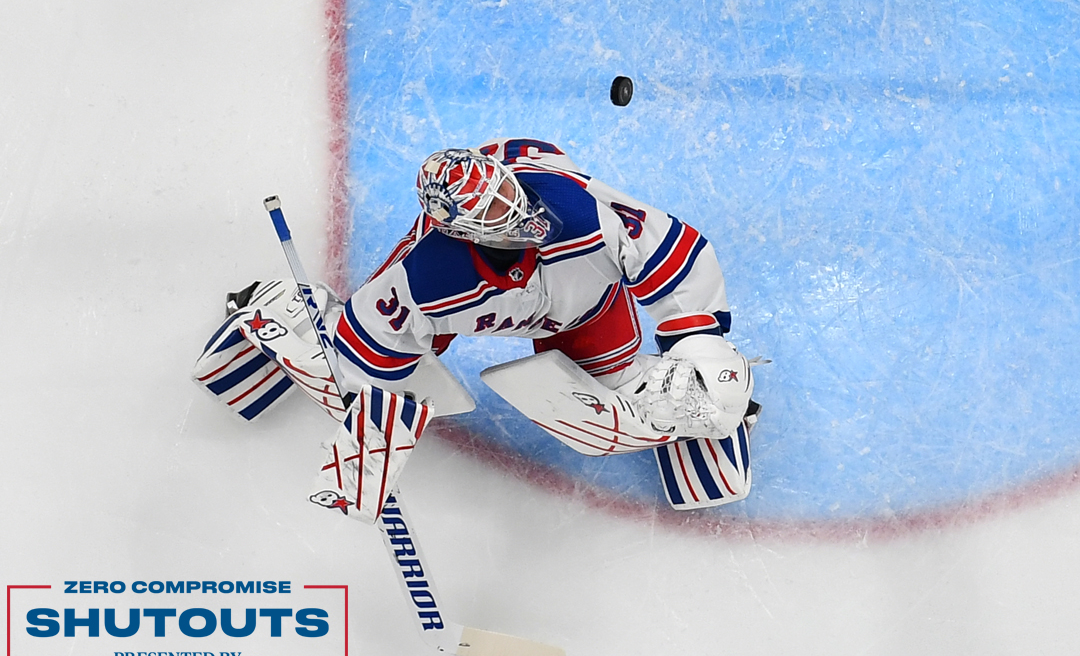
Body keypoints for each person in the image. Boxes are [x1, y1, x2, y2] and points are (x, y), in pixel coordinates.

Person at [194, 139, 761, 513]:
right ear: (462, 230)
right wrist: (366, 415)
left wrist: (699, 351)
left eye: (509, 195)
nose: (518, 213)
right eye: (492, 214)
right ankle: (289, 308)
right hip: (479, 303)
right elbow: (367, 348)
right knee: (368, 358)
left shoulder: (579, 208)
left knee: (623, 388)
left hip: (585, 302)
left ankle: (698, 414)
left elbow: (677, 254)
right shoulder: (429, 275)